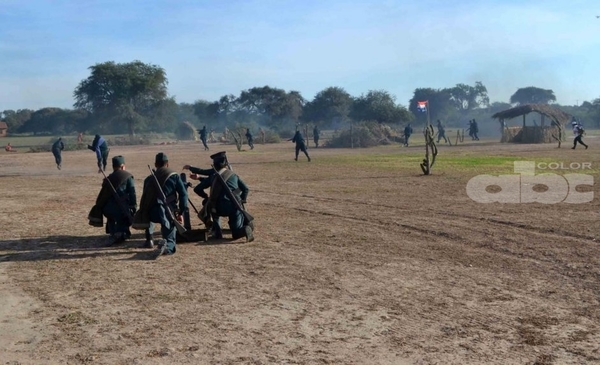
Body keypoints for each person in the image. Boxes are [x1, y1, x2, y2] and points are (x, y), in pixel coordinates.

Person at [136, 153, 187, 258]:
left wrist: (143, 212)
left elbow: (144, 199)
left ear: (155, 164)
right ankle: (167, 246)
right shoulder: (175, 176)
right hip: (168, 212)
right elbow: (183, 195)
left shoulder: (148, 179)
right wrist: (181, 212)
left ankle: (149, 238)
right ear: (167, 164)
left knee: (148, 213)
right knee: (170, 237)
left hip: (152, 213)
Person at [207, 152, 253, 242]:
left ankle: (218, 233)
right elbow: (245, 189)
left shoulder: (214, 176)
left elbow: (199, 188)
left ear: (215, 165)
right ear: (225, 163)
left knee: (209, 205)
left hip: (218, 208)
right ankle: (245, 229)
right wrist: (242, 200)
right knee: (236, 234)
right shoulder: (233, 175)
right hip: (235, 207)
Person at [94, 156, 137, 246]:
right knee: (125, 213)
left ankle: (114, 232)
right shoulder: (127, 177)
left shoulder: (108, 179)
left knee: (113, 216)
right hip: (121, 210)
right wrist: (133, 206)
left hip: (107, 209)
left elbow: (103, 196)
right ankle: (120, 234)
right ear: (122, 166)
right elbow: (132, 194)